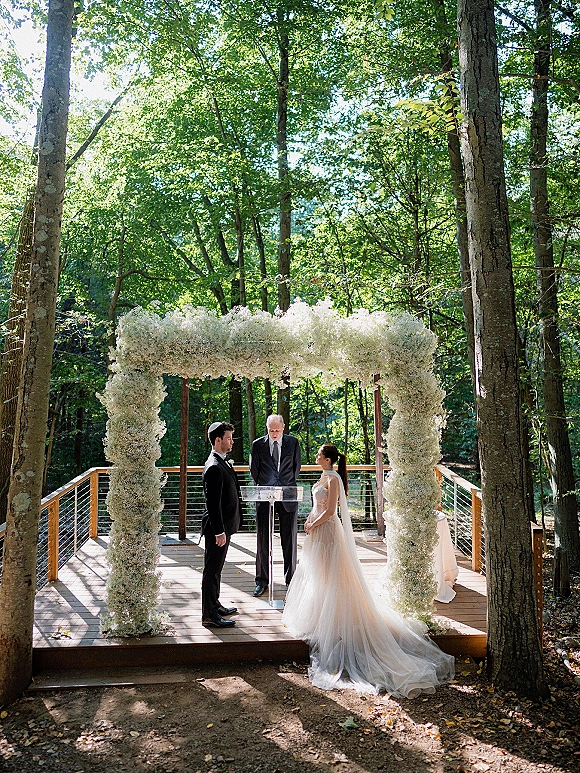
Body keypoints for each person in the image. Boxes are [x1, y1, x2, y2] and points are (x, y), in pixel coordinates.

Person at [282, 443, 455, 697]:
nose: (316, 456)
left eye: (319, 454)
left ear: (328, 459)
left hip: (327, 534)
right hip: (317, 532)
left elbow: (330, 512)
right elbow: (319, 507)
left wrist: (314, 524)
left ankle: (337, 620)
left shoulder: (333, 479)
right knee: (318, 577)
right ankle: (320, 617)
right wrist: (309, 519)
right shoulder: (324, 476)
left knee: (332, 579)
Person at [250, 414, 301, 596]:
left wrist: (283, 485)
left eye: (277, 430)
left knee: (290, 541)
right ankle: (261, 581)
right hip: (264, 498)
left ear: (283, 428)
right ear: (267, 428)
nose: (273, 433)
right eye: (271, 430)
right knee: (263, 541)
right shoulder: (257, 445)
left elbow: (296, 468)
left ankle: (291, 581)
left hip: (288, 497)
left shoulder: (293, 443)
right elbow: (254, 471)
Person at [201, 421, 243, 628]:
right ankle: (209, 615)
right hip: (217, 528)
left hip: (225, 526)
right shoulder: (214, 467)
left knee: (217, 570)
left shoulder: (222, 461)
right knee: (211, 570)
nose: (232, 442)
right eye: (228, 438)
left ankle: (215, 604)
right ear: (218, 440)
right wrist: (219, 531)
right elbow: (212, 503)